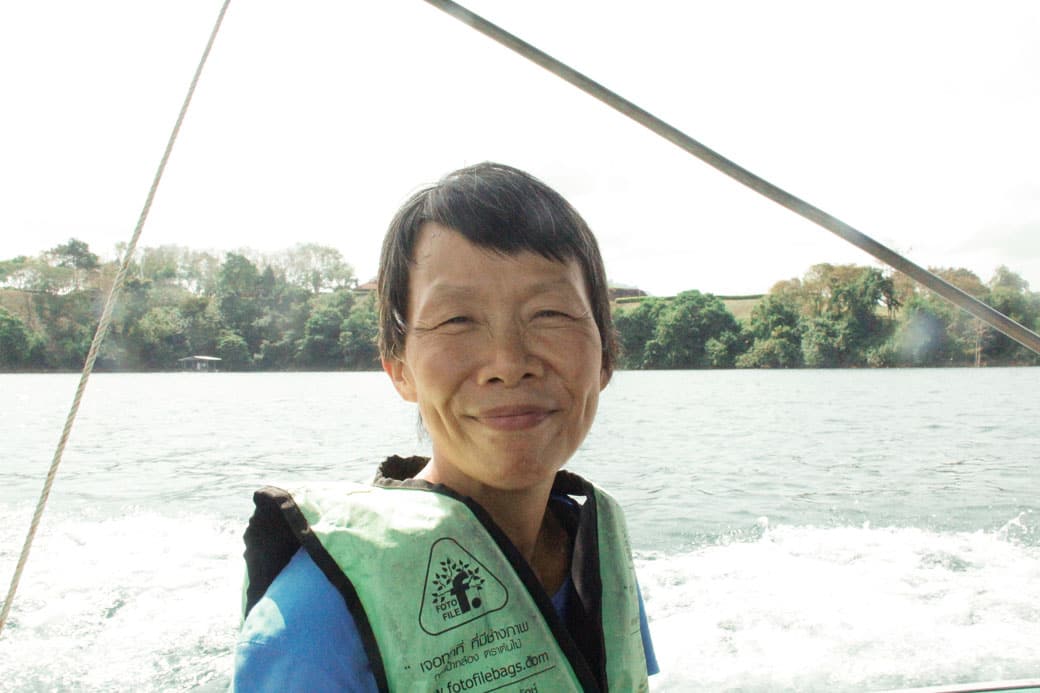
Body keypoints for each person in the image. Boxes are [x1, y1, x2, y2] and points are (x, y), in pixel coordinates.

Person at [233, 162, 659, 691]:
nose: (508, 361)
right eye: (457, 320)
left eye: (550, 313)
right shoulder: (310, 627)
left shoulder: (595, 563)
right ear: (399, 368)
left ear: (606, 355)